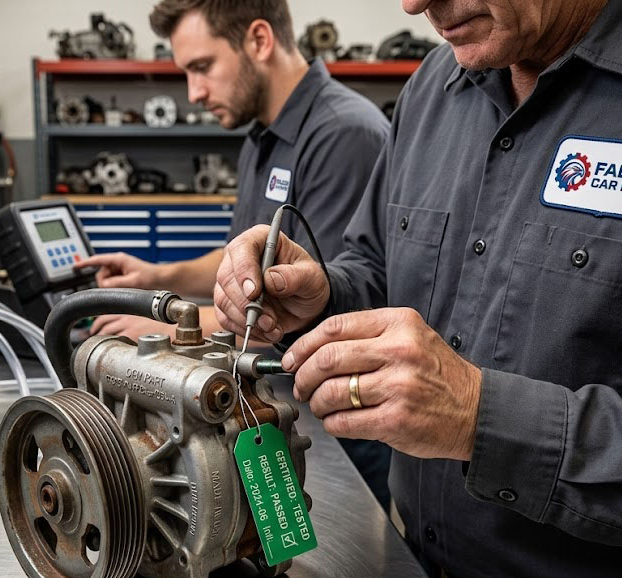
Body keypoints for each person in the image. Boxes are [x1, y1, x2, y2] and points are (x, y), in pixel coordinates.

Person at [211, 0, 622, 578]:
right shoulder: (436, 88)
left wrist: (484, 419)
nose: (415, 3)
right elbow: (383, 266)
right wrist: (323, 292)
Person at [81, 0, 395, 508]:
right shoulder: (259, 137)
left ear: (259, 41)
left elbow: (318, 313)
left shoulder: (344, 134)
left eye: (202, 67)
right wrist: (162, 275)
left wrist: (168, 334)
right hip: (265, 406)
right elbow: (245, 269)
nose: (194, 92)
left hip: (331, 434)